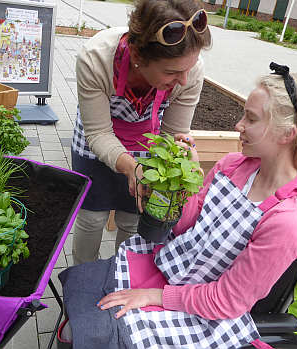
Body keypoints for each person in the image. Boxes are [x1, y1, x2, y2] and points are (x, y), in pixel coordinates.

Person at [59, 64, 297, 348]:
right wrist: (187, 177)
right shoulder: (234, 166)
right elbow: (186, 225)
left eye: (250, 119)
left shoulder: (287, 222)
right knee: (83, 285)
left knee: (90, 331)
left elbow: (227, 301)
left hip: (207, 312)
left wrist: (153, 296)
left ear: (287, 134)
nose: (238, 125)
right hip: (177, 268)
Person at [71, 0, 212, 265]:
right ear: (137, 57)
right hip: (96, 142)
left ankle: (123, 280)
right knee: (92, 219)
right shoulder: (96, 58)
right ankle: (81, 278)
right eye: (171, 72)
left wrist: (183, 158)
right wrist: (131, 168)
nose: (183, 81)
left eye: (187, 70)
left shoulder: (190, 73)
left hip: (146, 143)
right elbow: (99, 132)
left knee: (131, 218)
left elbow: (173, 135)